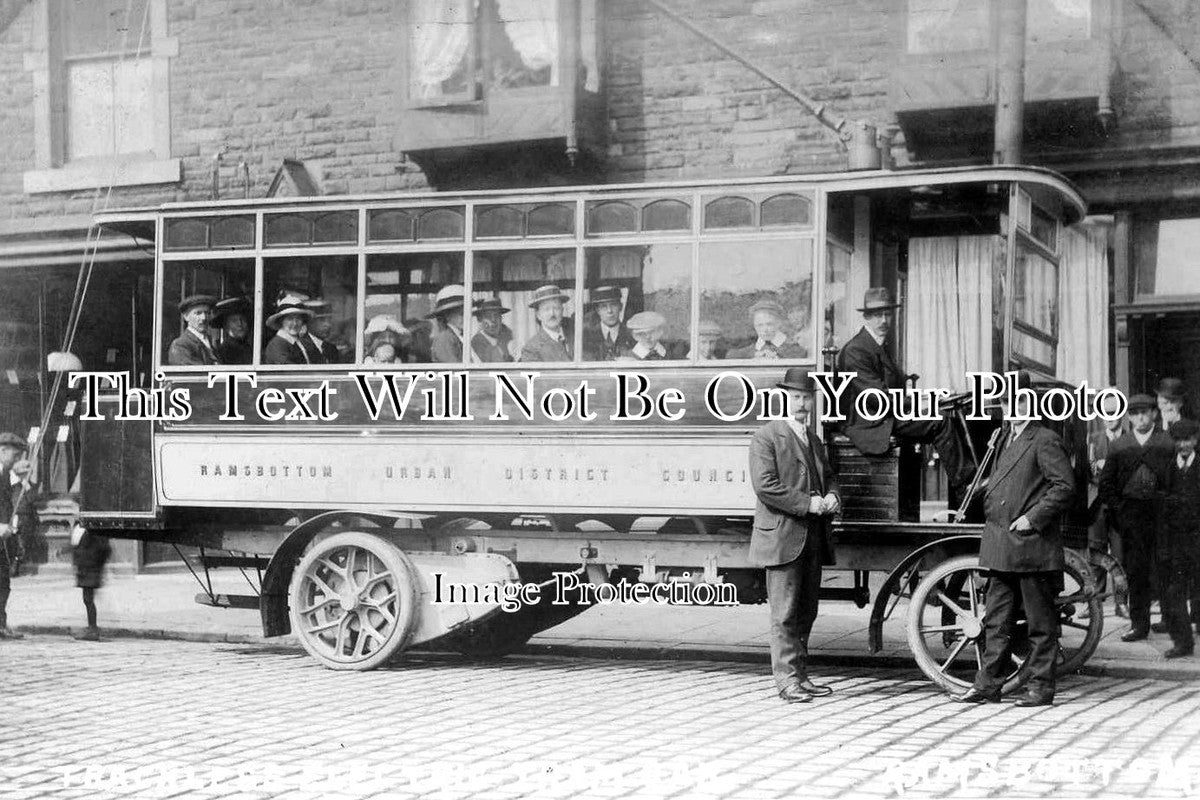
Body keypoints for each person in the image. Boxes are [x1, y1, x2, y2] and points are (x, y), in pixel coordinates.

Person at [954, 371, 1075, 707]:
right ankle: (988, 686)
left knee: (1040, 623)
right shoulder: (1005, 438)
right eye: (1007, 402)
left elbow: (1064, 487)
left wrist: (1032, 518)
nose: (1013, 408)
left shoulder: (1044, 439)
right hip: (1001, 545)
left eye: (1020, 401)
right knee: (996, 621)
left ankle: (1041, 688)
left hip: (1031, 544)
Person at [748, 368, 841, 704]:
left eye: (807, 398)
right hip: (783, 538)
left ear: (813, 402)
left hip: (812, 538)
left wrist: (833, 496)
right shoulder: (767, 437)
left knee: (806, 612)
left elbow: (830, 477)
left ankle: (801, 677)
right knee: (785, 614)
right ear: (784, 398)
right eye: (796, 397)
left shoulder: (813, 439)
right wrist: (808, 503)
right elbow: (765, 486)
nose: (802, 404)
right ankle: (787, 681)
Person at [835, 288, 974, 496]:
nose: (884, 320)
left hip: (884, 416)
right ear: (866, 317)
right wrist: (923, 403)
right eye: (877, 315)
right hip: (869, 422)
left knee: (951, 416)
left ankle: (967, 487)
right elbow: (876, 398)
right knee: (940, 421)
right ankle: (966, 487)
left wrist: (929, 397)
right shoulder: (856, 350)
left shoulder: (878, 345)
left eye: (887, 314)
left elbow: (895, 391)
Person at [1099, 393, 1174, 642]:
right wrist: (1120, 511)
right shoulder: (1119, 445)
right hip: (1131, 517)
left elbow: (1176, 480)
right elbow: (1106, 484)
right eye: (1134, 413)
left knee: (1165, 567)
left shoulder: (1167, 442)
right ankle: (1139, 625)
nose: (1140, 417)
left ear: (1154, 414)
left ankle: (1171, 620)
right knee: (1136, 570)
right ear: (1129, 417)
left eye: (1145, 412)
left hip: (1162, 515)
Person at [1083, 396, 1129, 619]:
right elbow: (1086, 470)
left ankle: (1121, 603)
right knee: (1095, 555)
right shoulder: (1093, 439)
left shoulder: (1130, 439)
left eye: (1113, 413)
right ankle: (1094, 604)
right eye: (1105, 414)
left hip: (1120, 505)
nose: (1109, 418)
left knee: (1120, 556)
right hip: (1097, 506)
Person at [1161, 419, 1200, 658]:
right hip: (1176, 542)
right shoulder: (1168, 469)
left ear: (1195, 440)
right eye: (1178, 440)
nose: (1183, 445)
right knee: (1175, 591)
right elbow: (1161, 507)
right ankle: (1183, 642)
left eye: (1188, 439)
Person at [0, 431, 29, 640]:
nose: (17, 460)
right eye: (15, 455)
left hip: (3, 540)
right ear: (2, 451)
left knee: (3, 584)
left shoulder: (4, 473)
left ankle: (1, 625)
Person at [727, 299, 808, 359]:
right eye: (760, 325)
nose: (765, 329)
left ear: (779, 323)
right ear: (754, 326)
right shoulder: (743, 354)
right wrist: (752, 360)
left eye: (769, 324)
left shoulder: (797, 352)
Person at [71, 524, 111, 642]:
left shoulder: (94, 532)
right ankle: (92, 627)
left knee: (88, 599)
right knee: (87, 599)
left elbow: (102, 550)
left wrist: (91, 564)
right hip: (87, 569)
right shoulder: (88, 531)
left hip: (90, 569)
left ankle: (93, 629)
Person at [519, 285, 573, 363]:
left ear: (562, 310)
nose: (552, 314)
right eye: (546, 309)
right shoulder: (531, 349)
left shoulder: (576, 336)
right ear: (538, 315)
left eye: (556, 308)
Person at [262, 292, 317, 365]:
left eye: (298, 319)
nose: (295, 323)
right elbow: (290, 370)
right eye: (290, 319)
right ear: (281, 321)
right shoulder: (277, 344)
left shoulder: (301, 342)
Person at [166, 294, 221, 366]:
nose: (204, 318)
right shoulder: (180, 345)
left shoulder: (211, 344)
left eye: (207, 313)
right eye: (198, 313)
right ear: (186, 317)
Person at [582, 286, 633, 361]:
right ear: (598, 310)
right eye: (604, 306)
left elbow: (643, 359)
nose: (609, 311)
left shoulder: (632, 335)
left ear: (620, 307)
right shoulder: (587, 336)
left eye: (613, 305)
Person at [429, 285, 466, 364]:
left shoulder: (459, 336)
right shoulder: (444, 339)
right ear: (448, 315)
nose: (466, 317)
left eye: (468, 313)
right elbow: (455, 368)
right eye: (461, 314)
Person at [470, 298, 515, 363]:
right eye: (488, 316)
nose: (493, 320)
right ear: (480, 319)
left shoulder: (503, 341)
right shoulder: (477, 343)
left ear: (501, 318)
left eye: (496, 315)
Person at [212, 296, 253, 365]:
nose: (240, 324)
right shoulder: (222, 353)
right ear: (226, 325)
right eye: (234, 320)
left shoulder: (251, 349)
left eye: (242, 319)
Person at [304, 299, 343, 364]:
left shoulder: (331, 348)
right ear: (309, 322)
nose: (328, 325)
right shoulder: (301, 347)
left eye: (329, 319)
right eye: (322, 320)